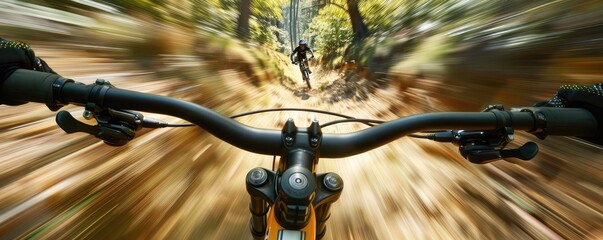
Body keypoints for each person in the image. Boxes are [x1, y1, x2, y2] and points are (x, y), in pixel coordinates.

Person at [0, 38, 601, 145]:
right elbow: (295, 54)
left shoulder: (310, 51)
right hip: (300, 73)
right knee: (306, 78)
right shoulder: (300, 50)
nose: (305, 55)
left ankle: (307, 87)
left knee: (310, 80)